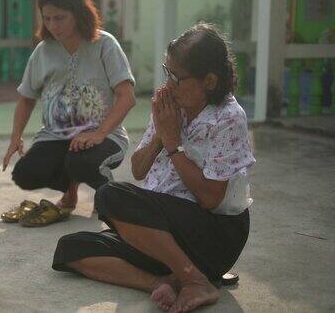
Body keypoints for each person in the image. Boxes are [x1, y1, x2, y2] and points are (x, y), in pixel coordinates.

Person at [52, 23, 256, 312]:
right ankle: (163, 280)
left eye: (177, 77)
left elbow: (211, 199)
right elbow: (138, 169)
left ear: (209, 81)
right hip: (161, 235)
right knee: (70, 248)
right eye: (166, 72)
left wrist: (173, 143)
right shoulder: (169, 105)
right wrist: (161, 133)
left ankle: (194, 280)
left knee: (110, 196)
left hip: (213, 233)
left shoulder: (228, 118)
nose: (168, 84)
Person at [1, 0, 136, 227]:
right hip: (56, 135)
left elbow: (127, 96)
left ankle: (106, 190)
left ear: (78, 13)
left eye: (60, 18)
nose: (53, 25)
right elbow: (26, 98)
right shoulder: (43, 51)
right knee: (24, 173)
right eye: (47, 18)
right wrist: (16, 137)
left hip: (105, 136)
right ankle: (70, 191)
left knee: (80, 162)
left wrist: (99, 133)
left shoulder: (105, 44)